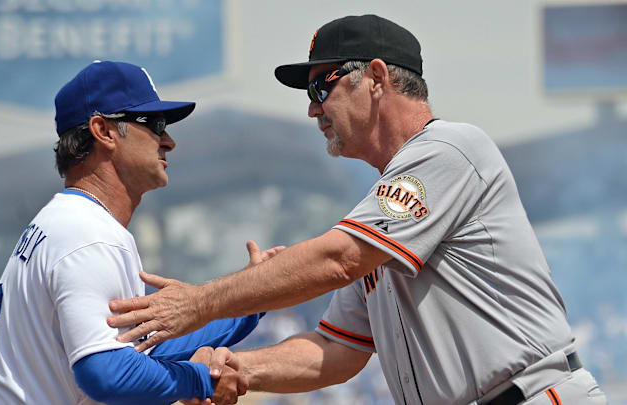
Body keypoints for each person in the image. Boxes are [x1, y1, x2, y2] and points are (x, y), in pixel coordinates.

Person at [106, 15, 608, 405]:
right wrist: (238, 368)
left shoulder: (451, 149)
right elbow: (337, 350)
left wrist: (198, 304)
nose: (312, 109)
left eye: (321, 87)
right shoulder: (381, 210)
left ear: (376, 77)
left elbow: (336, 260)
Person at [0, 60, 278, 405]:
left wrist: (254, 295)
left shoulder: (71, 220)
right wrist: (200, 380)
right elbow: (105, 372)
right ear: (103, 131)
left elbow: (145, 344)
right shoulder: (86, 232)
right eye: (155, 124)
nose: (169, 142)